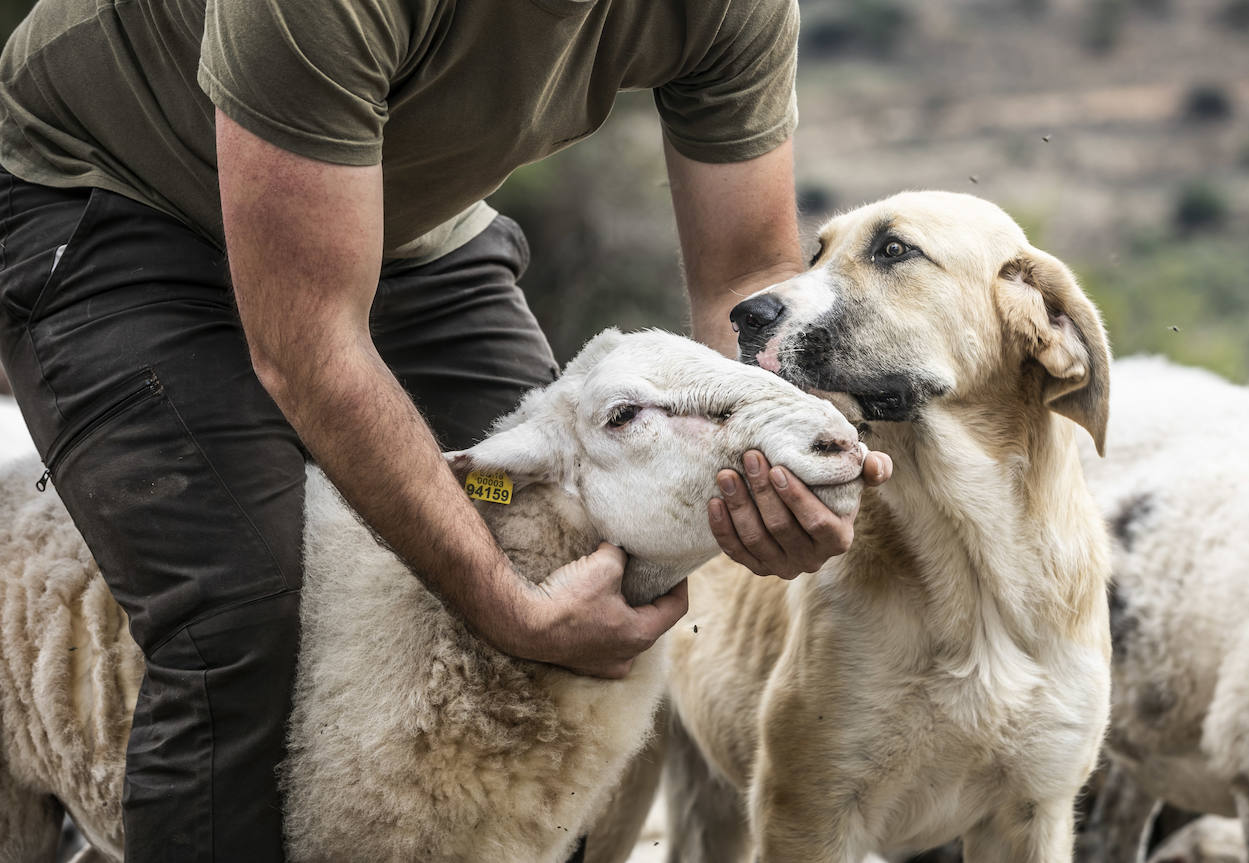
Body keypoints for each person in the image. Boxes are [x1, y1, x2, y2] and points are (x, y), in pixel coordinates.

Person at [0, 0, 890, 859]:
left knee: (565, 553)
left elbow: (745, 284)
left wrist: (779, 465)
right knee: (239, 608)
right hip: (109, 195)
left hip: (400, 218)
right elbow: (306, 342)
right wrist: (508, 610)